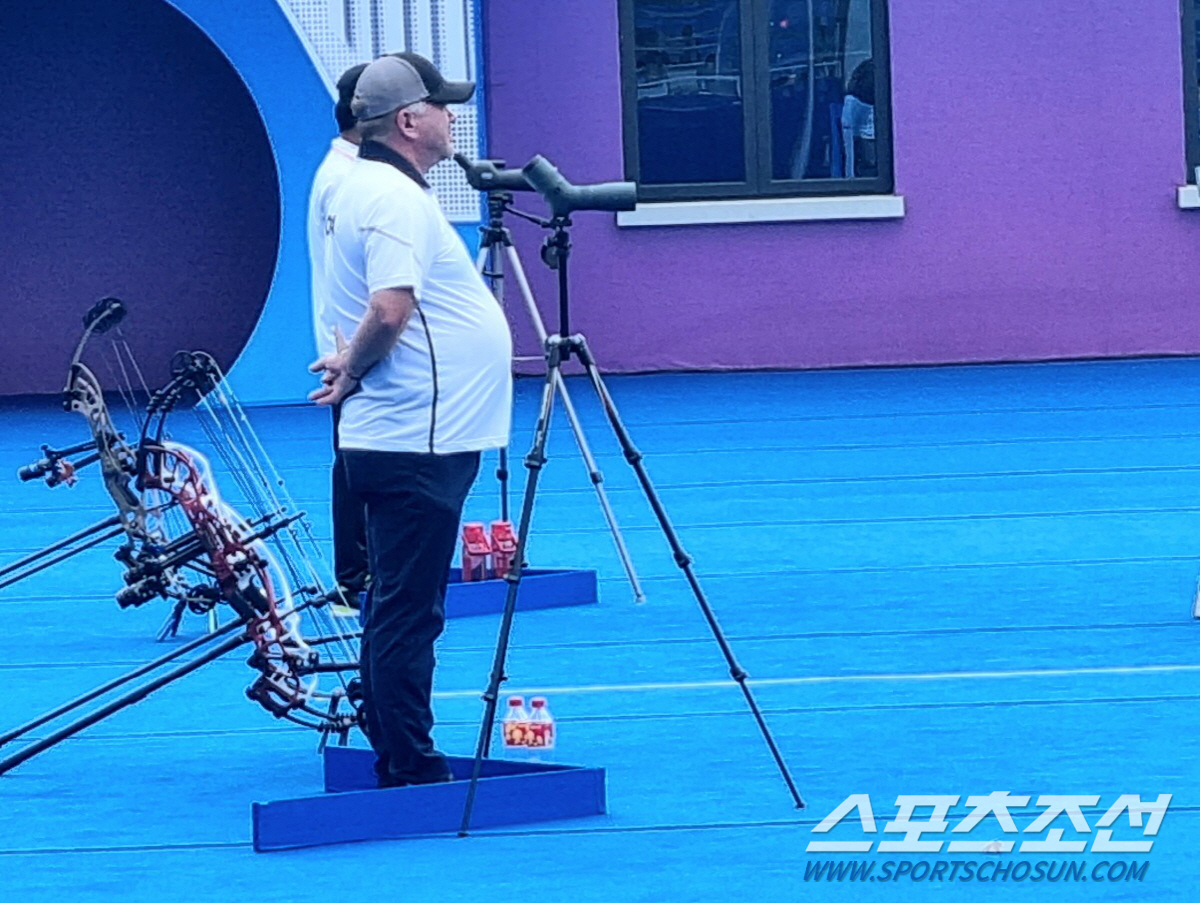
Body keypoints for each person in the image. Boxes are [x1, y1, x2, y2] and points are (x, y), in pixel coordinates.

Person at [309, 53, 513, 788]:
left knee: (398, 601)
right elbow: (390, 308)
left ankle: (396, 745)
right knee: (408, 608)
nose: (452, 116)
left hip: (407, 433)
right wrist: (354, 368)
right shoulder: (392, 197)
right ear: (407, 121)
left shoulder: (365, 184)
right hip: (417, 437)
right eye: (441, 105)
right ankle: (410, 760)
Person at [308, 62, 370, 604]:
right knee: (357, 460)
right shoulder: (348, 180)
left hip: (354, 343)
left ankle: (358, 573)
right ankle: (356, 577)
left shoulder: (348, 172)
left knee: (356, 457)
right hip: (358, 346)